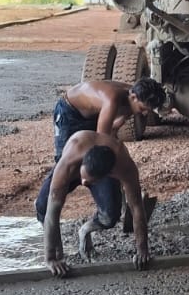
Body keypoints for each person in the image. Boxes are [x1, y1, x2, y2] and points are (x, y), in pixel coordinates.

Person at [50, 76, 165, 226]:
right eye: (143, 109)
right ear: (134, 97)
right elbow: (101, 144)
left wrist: (125, 186)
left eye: (147, 111)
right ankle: (48, 203)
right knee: (68, 163)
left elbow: (113, 132)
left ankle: (110, 209)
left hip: (92, 114)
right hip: (70, 112)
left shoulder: (134, 99)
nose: (143, 114)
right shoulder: (112, 99)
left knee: (105, 165)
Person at [35, 130, 152, 278]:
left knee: (110, 216)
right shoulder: (68, 162)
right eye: (83, 178)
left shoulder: (125, 166)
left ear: (109, 175)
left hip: (100, 169)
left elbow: (136, 208)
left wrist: (142, 250)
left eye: (88, 181)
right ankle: (57, 251)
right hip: (74, 160)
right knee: (44, 207)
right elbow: (53, 213)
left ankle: (85, 230)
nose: (83, 183)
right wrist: (51, 258)